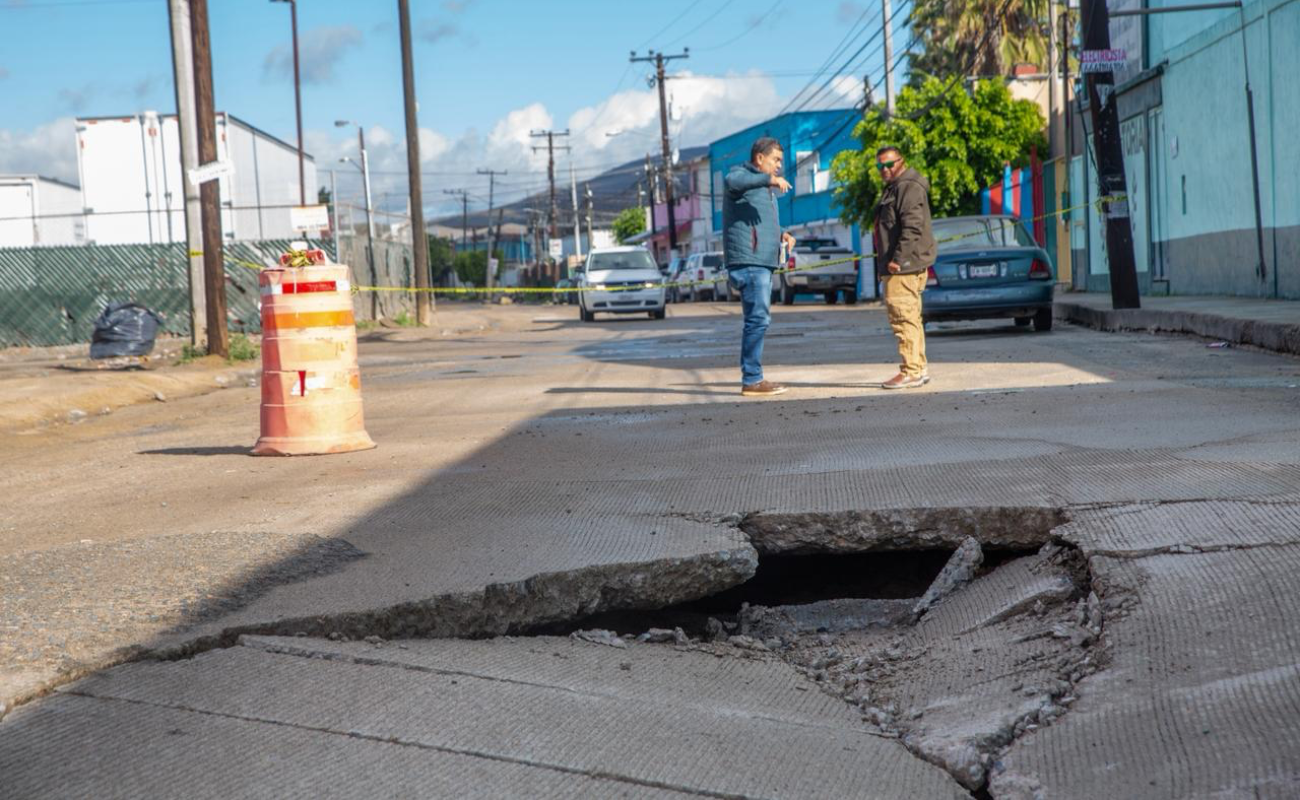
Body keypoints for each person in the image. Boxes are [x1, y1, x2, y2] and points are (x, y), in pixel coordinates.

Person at [723, 137, 797, 397]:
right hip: (750, 263)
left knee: (758, 319)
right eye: (775, 160)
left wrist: (782, 235)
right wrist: (769, 180)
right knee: (758, 319)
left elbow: (763, 224)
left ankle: (753, 378)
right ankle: (752, 379)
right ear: (759, 159)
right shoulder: (740, 177)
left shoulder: (764, 190)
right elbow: (734, 181)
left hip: (761, 263)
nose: (778, 167)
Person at [872, 145, 937, 389]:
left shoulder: (908, 186)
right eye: (881, 166)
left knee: (902, 317)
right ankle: (918, 368)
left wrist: (897, 259)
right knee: (911, 317)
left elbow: (912, 227)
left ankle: (910, 371)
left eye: (890, 164)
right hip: (902, 265)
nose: (885, 169)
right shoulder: (896, 186)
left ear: (902, 160)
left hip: (904, 267)